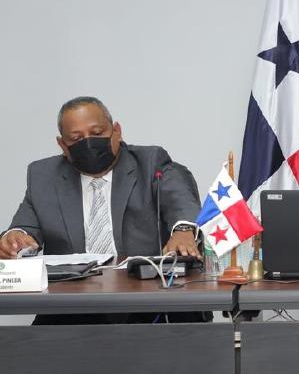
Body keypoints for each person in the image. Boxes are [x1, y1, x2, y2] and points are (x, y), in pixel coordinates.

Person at [0, 96, 207, 324]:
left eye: (97, 133)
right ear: (62, 145)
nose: (88, 143)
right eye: (76, 138)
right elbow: (24, 228)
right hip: (71, 308)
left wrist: (184, 230)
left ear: (116, 131)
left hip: (146, 301)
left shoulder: (151, 162)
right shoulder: (44, 176)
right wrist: (14, 239)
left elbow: (181, 199)